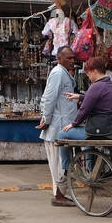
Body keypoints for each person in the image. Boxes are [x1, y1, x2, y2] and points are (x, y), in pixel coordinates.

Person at [38, 47, 79, 206]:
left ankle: (60, 193)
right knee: (58, 164)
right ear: (59, 58)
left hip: (63, 125)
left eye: (73, 58)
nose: (72, 61)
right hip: (56, 126)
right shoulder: (58, 73)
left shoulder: (64, 73)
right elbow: (49, 98)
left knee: (62, 162)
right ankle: (59, 196)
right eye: (69, 58)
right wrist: (46, 119)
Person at [59, 55, 112, 143]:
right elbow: (100, 99)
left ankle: (65, 158)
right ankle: (89, 156)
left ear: (94, 71)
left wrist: (73, 124)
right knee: (89, 132)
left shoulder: (96, 86)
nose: (88, 77)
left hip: (107, 131)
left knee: (62, 134)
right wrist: (79, 96)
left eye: (88, 73)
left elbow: (84, 109)